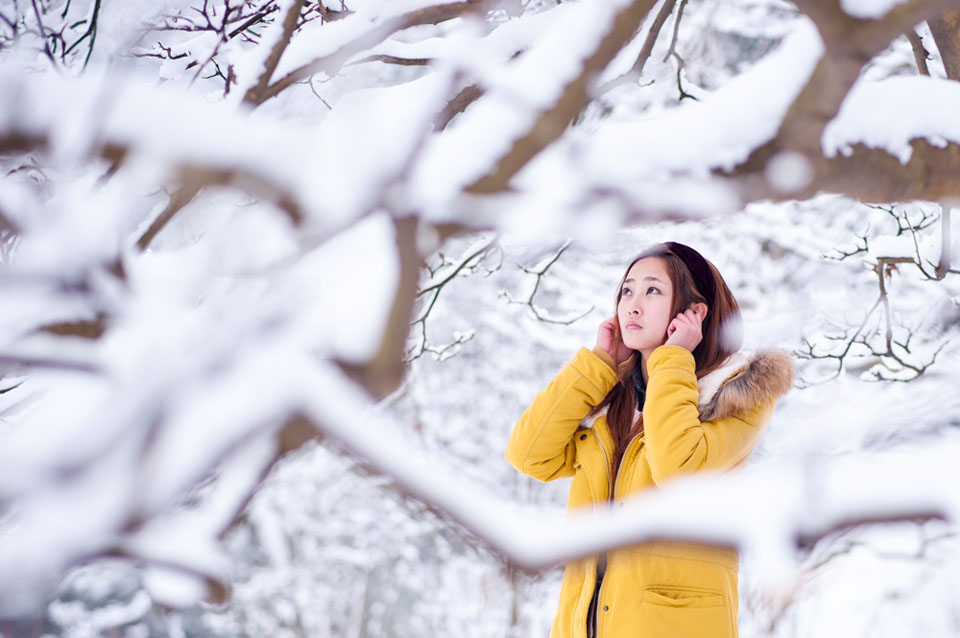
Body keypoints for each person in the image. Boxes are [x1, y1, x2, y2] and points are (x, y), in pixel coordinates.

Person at [505, 242, 794, 638]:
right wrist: (598, 365)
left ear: (694, 312)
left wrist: (673, 357)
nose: (632, 306)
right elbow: (528, 455)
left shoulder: (735, 396)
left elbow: (678, 469)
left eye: (652, 290)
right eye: (627, 290)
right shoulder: (612, 405)